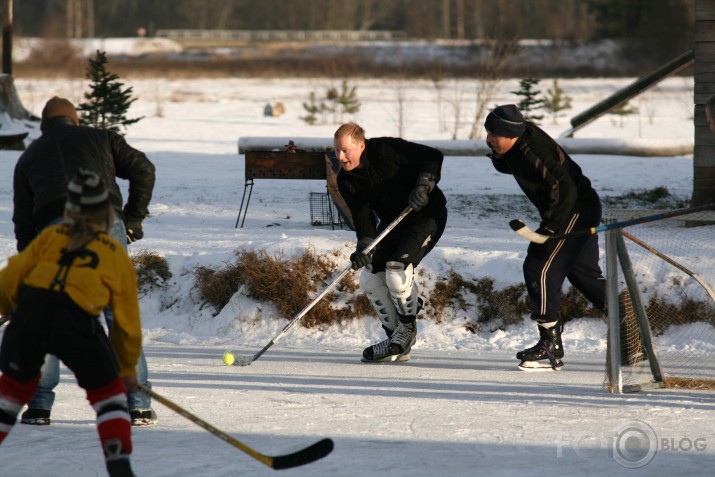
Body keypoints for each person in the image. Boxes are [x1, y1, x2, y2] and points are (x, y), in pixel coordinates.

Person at [12, 96, 157, 425]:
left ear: (42, 126)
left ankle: (39, 406)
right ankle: (138, 403)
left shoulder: (30, 155)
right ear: (76, 121)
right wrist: (133, 220)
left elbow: (23, 223)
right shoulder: (102, 137)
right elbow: (144, 170)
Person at [0, 170, 141, 477]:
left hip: (29, 319)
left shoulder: (50, 236)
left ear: (70, 210)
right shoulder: (114, 251)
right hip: (76, 323)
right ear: (106, 211)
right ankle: (119, 463)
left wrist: (10, 306)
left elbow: (11, 276)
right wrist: (127, 369)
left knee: (11, 391)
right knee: (109, 396)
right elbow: (126, 319)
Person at [484, 104, 606, 370]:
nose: (489, 138)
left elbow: (564, 188)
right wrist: (497, 155)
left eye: (494, 134)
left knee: (539, 266)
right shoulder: (517, 143)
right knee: (583, 275)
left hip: (574, 209)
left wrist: (550, 228)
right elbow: (511, 164)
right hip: (576, 208)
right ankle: (632, 331)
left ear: (511, 134)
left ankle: (549, 346)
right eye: (488, 132)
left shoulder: (532, 150)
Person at [333, 122, 448, 362]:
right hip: (393, 222)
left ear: (361, 146)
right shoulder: (346, 180)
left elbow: (432, 156)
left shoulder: (386, 149)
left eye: (345, 150)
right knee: (370, 276)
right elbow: (362, 217)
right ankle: (396, 339)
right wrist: (363, 247)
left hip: (426, 216)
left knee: (396, 269)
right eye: (336, 151)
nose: (340, 157)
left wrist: (424, 184)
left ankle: (406, 330)